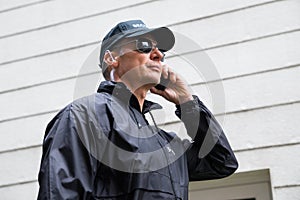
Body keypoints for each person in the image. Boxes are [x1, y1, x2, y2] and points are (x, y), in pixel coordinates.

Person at [37, 19, 238, 200]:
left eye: (161, 52)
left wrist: (186, 102)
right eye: (144, 46)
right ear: (111, 59)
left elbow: (222, 162)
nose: (158, 54)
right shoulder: (85, 116)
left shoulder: (166, 144)